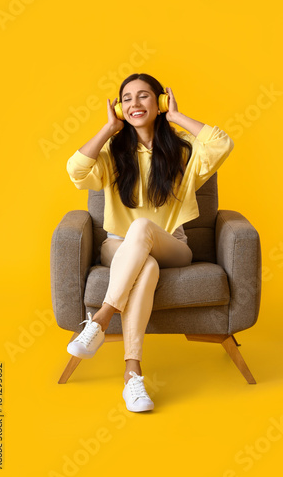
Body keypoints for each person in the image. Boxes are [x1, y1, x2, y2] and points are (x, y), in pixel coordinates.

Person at [66, 73, 234, 412]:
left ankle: (100, 319)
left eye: (144, 96)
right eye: (126, 98)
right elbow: (76, 172)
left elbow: (222, 144)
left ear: (158, 103)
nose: (134, 104)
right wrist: (107, 130)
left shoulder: (184, 152)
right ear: (119, 107)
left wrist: (176, 117)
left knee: (143, 229)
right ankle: (133, 375)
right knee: (147, 266)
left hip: (173, 245)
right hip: (120, 247)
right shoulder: (113, 152)